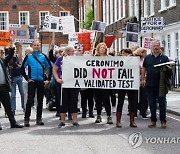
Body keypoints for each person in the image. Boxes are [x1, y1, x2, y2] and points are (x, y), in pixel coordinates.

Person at [21, 39, 52, 127]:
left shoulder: (43, 56)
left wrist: (48, 79)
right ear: (32, 46)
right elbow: (22, 68)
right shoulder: (29, 56)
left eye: (38, 45)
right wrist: (27, 78)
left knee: (40, 100)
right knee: (30, 100)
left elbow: (50, 67)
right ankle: (26, 119)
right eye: (35, 45)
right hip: (32, 81)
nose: (36, 47)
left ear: (40, 46)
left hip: (41, 81)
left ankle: (39, 118)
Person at [142, 40, 172, 128]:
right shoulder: (147, 58)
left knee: (162, 103)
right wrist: (143, 79)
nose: (155, 47)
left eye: (157, 46)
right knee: (152, 103)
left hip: (161, 84)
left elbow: (169, 71)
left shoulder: (164, 58)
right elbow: (144, 68)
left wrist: (166, 69)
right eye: (154, 46)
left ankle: (163, 121)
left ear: (159, 47)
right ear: (151, 47)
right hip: (150, 84)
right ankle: (153, 120)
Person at [53, 46, 80, 128]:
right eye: (73, 51)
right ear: (68, 52)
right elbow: (54, 69)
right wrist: (57, 79)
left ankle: (75, 121)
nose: (74, 52)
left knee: (74, 101)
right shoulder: (60, 59)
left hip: (74, 83)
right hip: (64, 83)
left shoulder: (76, 59)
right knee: (63, 102)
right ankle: (62, 121)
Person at [0, 46, 23, 130]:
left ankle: (13, 123)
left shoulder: (2, 61)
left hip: (3, 87)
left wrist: (11, 49)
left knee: (8, 107)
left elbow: (9, 56)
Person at [116, 49, 137, 128]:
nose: (123, 55)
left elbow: (138, 68)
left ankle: (132, 121)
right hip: (122, 84)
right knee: (120, 102)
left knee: (132, 102)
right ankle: (118, 121)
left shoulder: (134, 61)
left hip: (131, 84)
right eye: (122, 53)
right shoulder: (120, 61)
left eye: (124, 53)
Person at [93, 42, 113, 124]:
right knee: (97, 100)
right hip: (96, 82)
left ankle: (109, 116)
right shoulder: (94, 58)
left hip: (106, 83)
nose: (102, 49)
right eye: (100, 47)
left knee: (106, 100)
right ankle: (98, 115)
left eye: (103, 48)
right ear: (98, 49)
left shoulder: (110, 58)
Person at [9, 42, 25, 115]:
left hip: (19, 76)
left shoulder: (18, 56)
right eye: (13, 49)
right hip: (12, 77)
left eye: (15, 49)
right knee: (13, 94)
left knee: (22, 93)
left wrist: (20, 48)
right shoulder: (9, 57)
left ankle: (24, 107)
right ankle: (13, 109)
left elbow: (21, 60)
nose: (14, 50)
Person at [134, 48, 148, 119]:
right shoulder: (135, 60)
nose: (146, 54)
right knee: (135, 97)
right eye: (145, 52)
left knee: (144, 97)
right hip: (136, 80)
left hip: (144, 80)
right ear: (141, 53)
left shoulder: (145, 60)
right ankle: (134, 112)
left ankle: (143, 112)